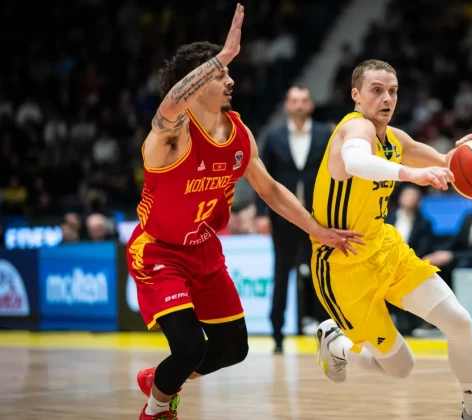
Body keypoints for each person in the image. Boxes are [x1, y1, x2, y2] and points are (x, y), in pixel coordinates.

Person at [127, 5, 363, 419]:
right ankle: (157, 409)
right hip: (159, 251)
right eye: (220, 75)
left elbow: (270, 190)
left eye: (228, 73)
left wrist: (316, 229)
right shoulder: (171, 135)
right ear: (196, 82)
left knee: (233, 349)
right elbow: (168, 105)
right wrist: (222, 55)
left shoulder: (239, 133)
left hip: (204, 251)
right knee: (189, 347)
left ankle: (160, 379)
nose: (231, 80)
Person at [310, 59, 472, 420]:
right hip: (342, 264)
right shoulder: (354, 128)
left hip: (385, 248)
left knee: (459, 322)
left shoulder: (395, 139)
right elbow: (356, 162)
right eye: (377, 90)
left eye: (393, 91)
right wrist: (410, 175)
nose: (387, 98)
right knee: (401, 368)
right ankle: (336, 344)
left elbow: (448, 163)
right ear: (356, 95)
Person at [255, 86, 332, 353]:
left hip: (318, 218)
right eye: (294, 101)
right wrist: (260, 214)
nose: (299, 105)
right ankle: (277, 335)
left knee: (322, 275)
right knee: (281, 275)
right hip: (283, 217)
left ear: (310, 105)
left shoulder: (325, 134)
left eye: (303, 100)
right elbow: (262, 177)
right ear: (287, 105)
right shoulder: (274, 136)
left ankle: (327, 335)